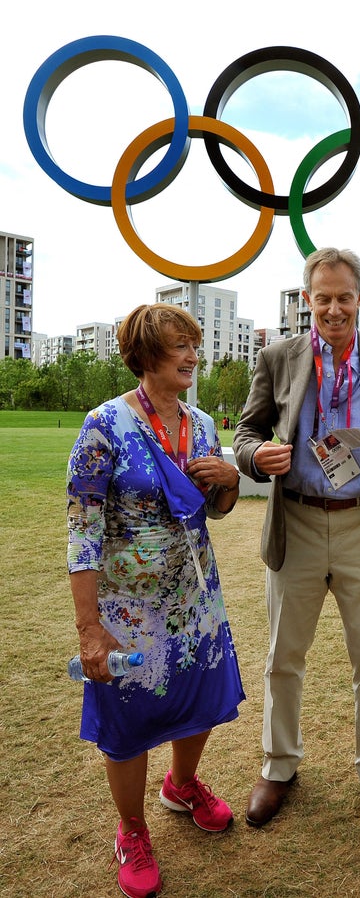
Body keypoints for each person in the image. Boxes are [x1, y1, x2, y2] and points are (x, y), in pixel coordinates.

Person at [233, 247, 360, 841]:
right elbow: (246, 430)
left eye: (344, 296)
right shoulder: (278, 358)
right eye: (321, 297)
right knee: (282, 656)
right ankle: (279, 766)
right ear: (307, 300)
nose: (333, 308)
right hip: (295, 521)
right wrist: (254, 454)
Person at [67, 303, 245, 898]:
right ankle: (132, 828)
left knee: (202, 696)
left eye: (194, 343)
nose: (193, 354)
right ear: (146, 356)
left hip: (195, 599)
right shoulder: (104, 426)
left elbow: (212, 511)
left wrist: (229, 482)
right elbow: (82, 532)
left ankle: (183, 784)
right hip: (128, 609)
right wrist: (90, 628)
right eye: (179, 346)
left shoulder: (202, 422)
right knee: (129, 719)